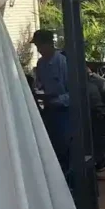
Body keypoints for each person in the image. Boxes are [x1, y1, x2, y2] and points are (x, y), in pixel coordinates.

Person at [32, 30, 71, 168]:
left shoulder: (62, 62)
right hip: (49, 109)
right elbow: (40, 84)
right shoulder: (41, 64)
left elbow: (73, 92)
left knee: (63, 146)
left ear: (48, 44)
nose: (38, 50)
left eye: (40, 46)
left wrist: (57, 99)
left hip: (64, 111)